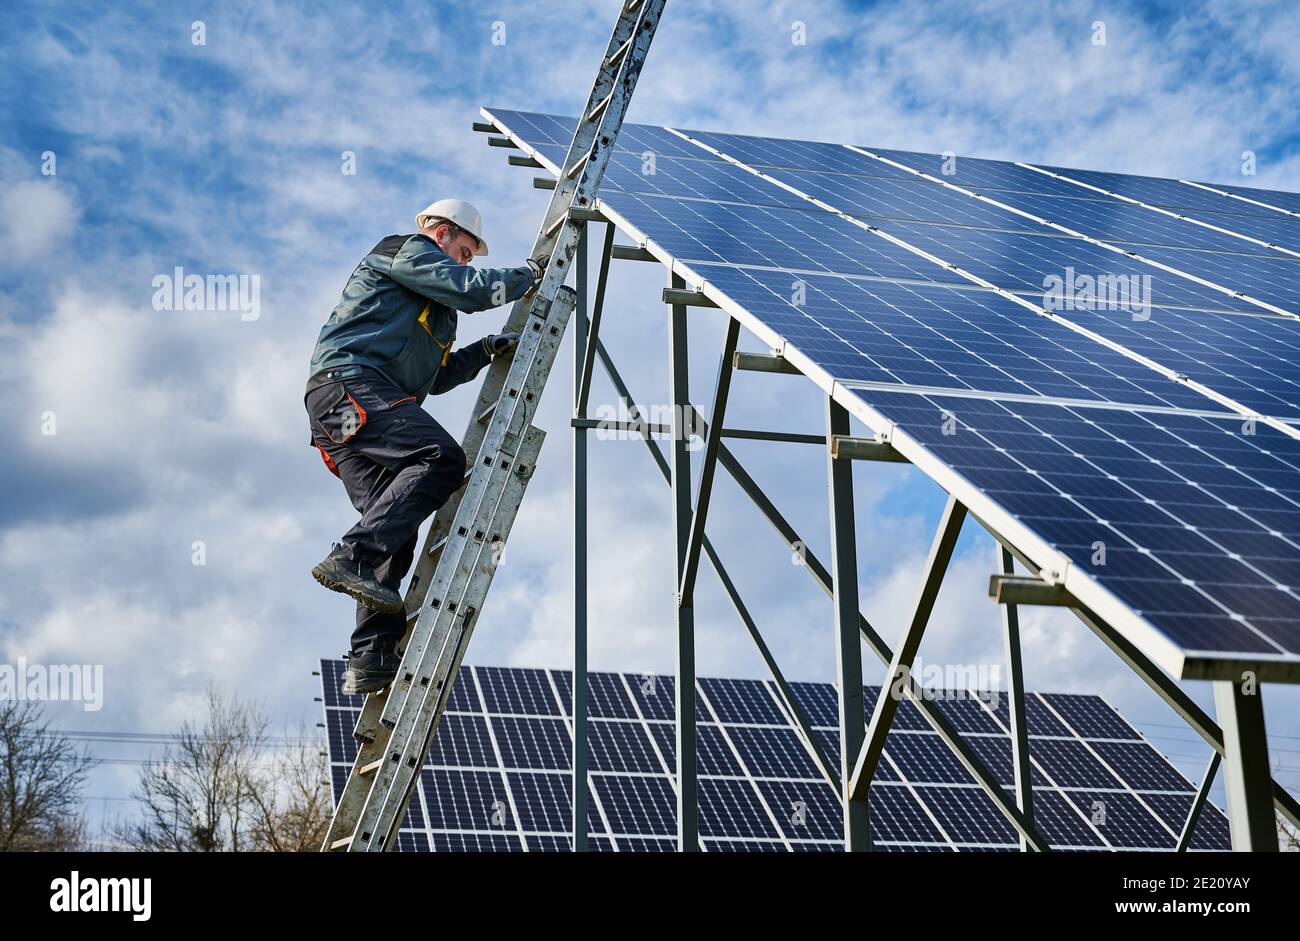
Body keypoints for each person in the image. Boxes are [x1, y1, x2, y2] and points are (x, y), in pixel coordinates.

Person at [304, 198, 546, 694]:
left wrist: (483, 352)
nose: (464, 262)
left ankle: (368, 655)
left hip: (354, 412)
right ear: (440, 233)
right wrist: (530, 275)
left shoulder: (436, 316)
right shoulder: (405, 251)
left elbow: (433, 379)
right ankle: (349, 554)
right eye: (462, 250)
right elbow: (472, 290)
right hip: (348, 386)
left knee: (397, 523)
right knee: (441, 457)